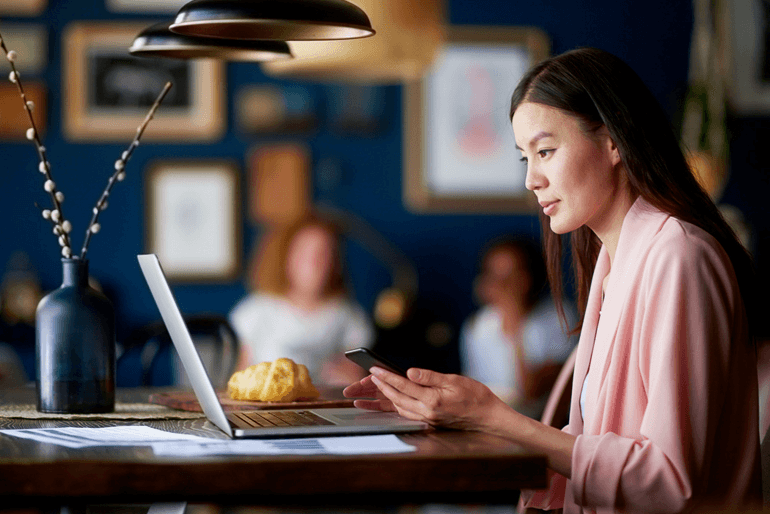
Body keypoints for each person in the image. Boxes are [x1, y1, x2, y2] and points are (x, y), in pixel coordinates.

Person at [344, 47, 762, 512]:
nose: (532, 180)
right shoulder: (614, 263)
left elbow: (669, 482)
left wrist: (497, 417)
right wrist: (458, 417)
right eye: (526, 158)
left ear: (613, 141)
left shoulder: (678, 257)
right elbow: (594, 443)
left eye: (545, 151)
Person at [229, 214, 374, 386]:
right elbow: (235, 379)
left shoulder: (348, 315)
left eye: (323, 253)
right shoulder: (254, 311)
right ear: (284, 257)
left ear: (336, 263)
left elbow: (357, 376)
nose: (314, 262)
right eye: (304, 252)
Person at [459, 237, 577, 417]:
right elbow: (470, 387)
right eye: (494, 276)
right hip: (487, 419)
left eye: (511, 276)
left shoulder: (559, 318)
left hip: (539, 421)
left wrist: (514, 321)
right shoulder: (477, 325)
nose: (502, 285)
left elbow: (531, 392)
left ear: (530, 277)